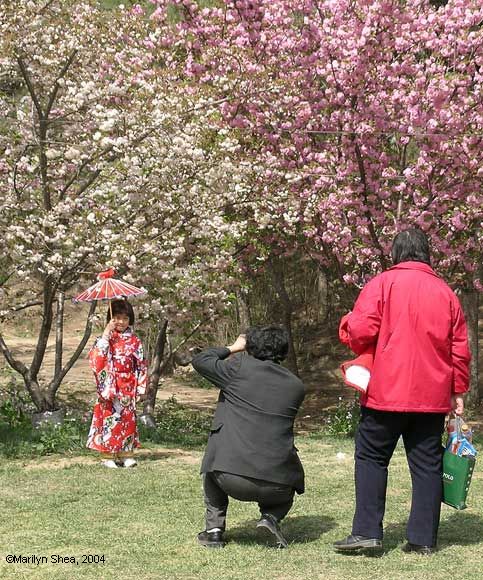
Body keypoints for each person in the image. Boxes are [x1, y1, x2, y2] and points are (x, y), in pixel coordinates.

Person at [334, 227, 471, 555]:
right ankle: (423, 538)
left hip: (385, 391)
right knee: (427, 464)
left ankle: (367, 531)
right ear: (427, 253)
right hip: (431, 394)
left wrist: (346, 324)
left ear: (396, 252)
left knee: (371, 457)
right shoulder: (446, 293)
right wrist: (458, 390)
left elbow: (361, 330)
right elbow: (459, 349)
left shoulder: (381, 284)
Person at [192, 325, 305, 549]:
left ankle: (214, 531)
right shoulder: (296, 386)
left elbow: (201, 359)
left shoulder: (238, 367)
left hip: (230, 477)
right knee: (289, 479)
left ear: (251, 346)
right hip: (278, 485)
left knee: (214, 462)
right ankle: (271, 517)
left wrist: (234, 347)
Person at [87, 299, 147, 468]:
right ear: (111, 318)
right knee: (109, 419)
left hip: (128, 383)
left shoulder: (135, 341)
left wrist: (141, 388)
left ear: (130, 320)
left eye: (125, 318)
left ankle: (126, 453)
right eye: (117, 317)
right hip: (110, 384)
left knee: (128, 419)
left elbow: (141, 364)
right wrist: (106, 335)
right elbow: (96, 359)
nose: (121, 321)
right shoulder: (105, 339)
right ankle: (108, 454)